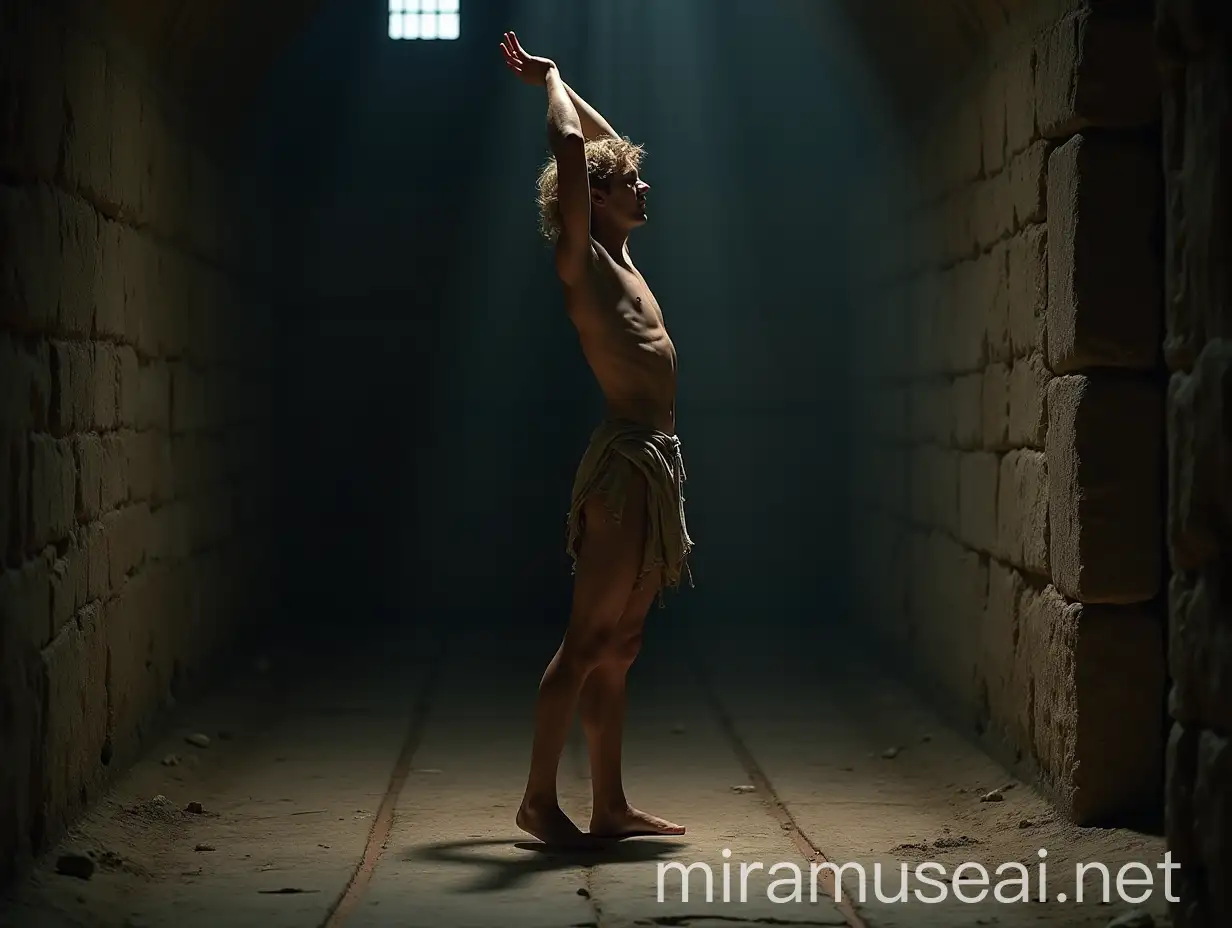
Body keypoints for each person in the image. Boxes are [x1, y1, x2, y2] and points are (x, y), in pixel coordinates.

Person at [499, 31, 694, 847]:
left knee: (622, 642)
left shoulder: (621, 254)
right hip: (621, 472)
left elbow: (601, 146)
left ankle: (609, 805)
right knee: (585, 642)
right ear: (596, 198)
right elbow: (578, 146)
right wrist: (549, 82)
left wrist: (567, 79)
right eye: (630, 183)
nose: (643, 185)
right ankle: (539, 802)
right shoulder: (581, 260)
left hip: (657, 464)